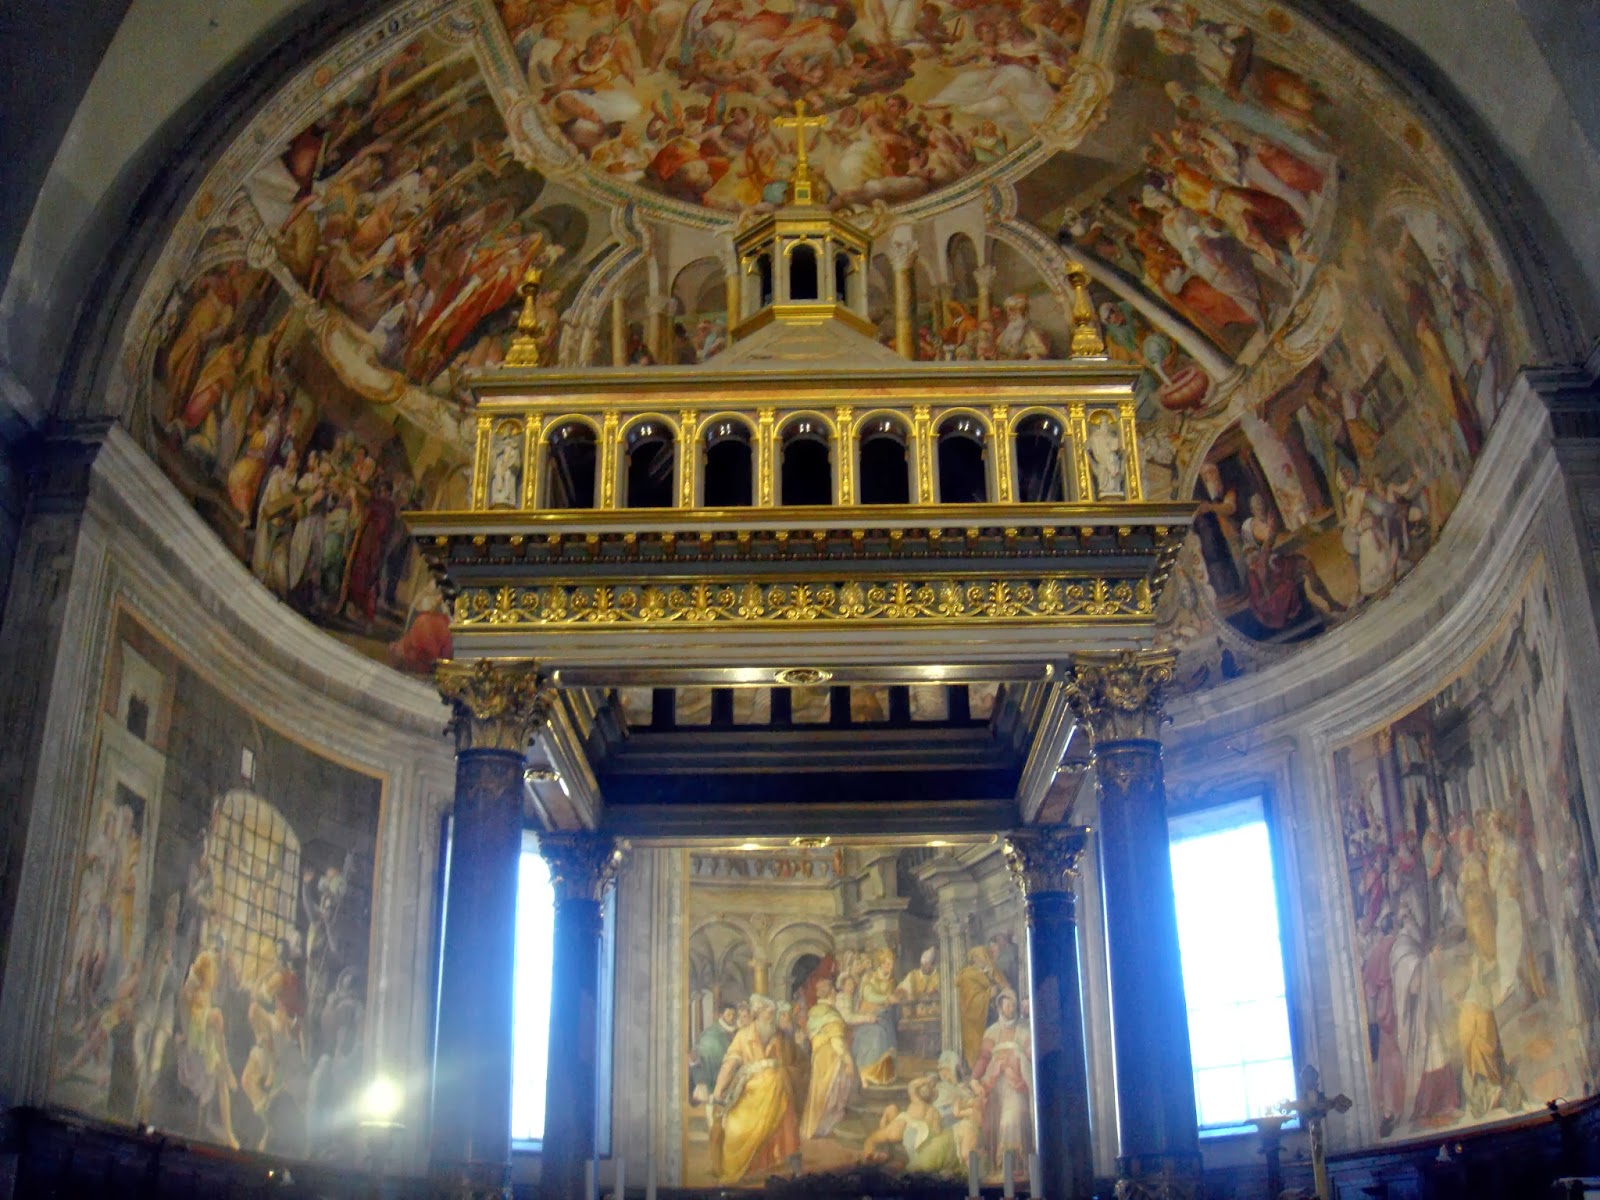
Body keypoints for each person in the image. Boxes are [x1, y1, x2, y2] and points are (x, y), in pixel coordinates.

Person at [710, 994, 800, 1183]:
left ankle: (787, 1161)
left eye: (774, 1012)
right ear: (758, 1012)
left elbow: (793, 1061)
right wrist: (718, 1090)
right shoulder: (743, 1036)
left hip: (778, 1088)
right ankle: (741, 1168)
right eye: (769, 1012)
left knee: (786, 1119)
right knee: (736, 1127)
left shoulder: (779, 1035)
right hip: (752, 1091)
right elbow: (730, 1063)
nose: (773, 1016)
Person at [972, 991, 1033, 1171]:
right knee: (994, 1125)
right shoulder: (992, 1031)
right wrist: (975, 1079)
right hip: (996, 1087)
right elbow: (983, 1059)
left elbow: (1031, 1055)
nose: (1010, 1008)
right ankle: (1000, 1170)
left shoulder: (1023, 1030)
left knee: (1011, 1121)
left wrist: (1018, 1058)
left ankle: (1014, 1166)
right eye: (1007, 1005)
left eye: (1013, 1005)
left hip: (1016, 1086)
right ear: (999, 1007)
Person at [802, 977, 857, 1138]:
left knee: (820, 1089)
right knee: (832, 1090)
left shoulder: (814, 1012)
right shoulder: (830, 1013)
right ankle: (827, 1125)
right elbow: (837, 1041)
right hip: (833, 1057)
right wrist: (848, 1061)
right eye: (834, 992)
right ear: (831, 993)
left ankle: (818, 1126)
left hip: (819, 1056)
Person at [955, 945, 1001, 1068]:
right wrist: (988, 995)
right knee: (978, 1049)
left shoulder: (984, 971)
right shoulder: (968, 975)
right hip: (974, 1020)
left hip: (987, 1015)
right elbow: (971, 1001)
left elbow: (999, 983)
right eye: (983, 956)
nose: (986, 959)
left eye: (986, 956)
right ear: (975, 958)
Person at [694, 1004, 739, 1099]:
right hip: (713, 1078)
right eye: (728, 1015)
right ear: (721, 1016)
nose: (732, 1018)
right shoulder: (710, 1034)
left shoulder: (736, 1032)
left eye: (734, 1015)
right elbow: (702, 1059)